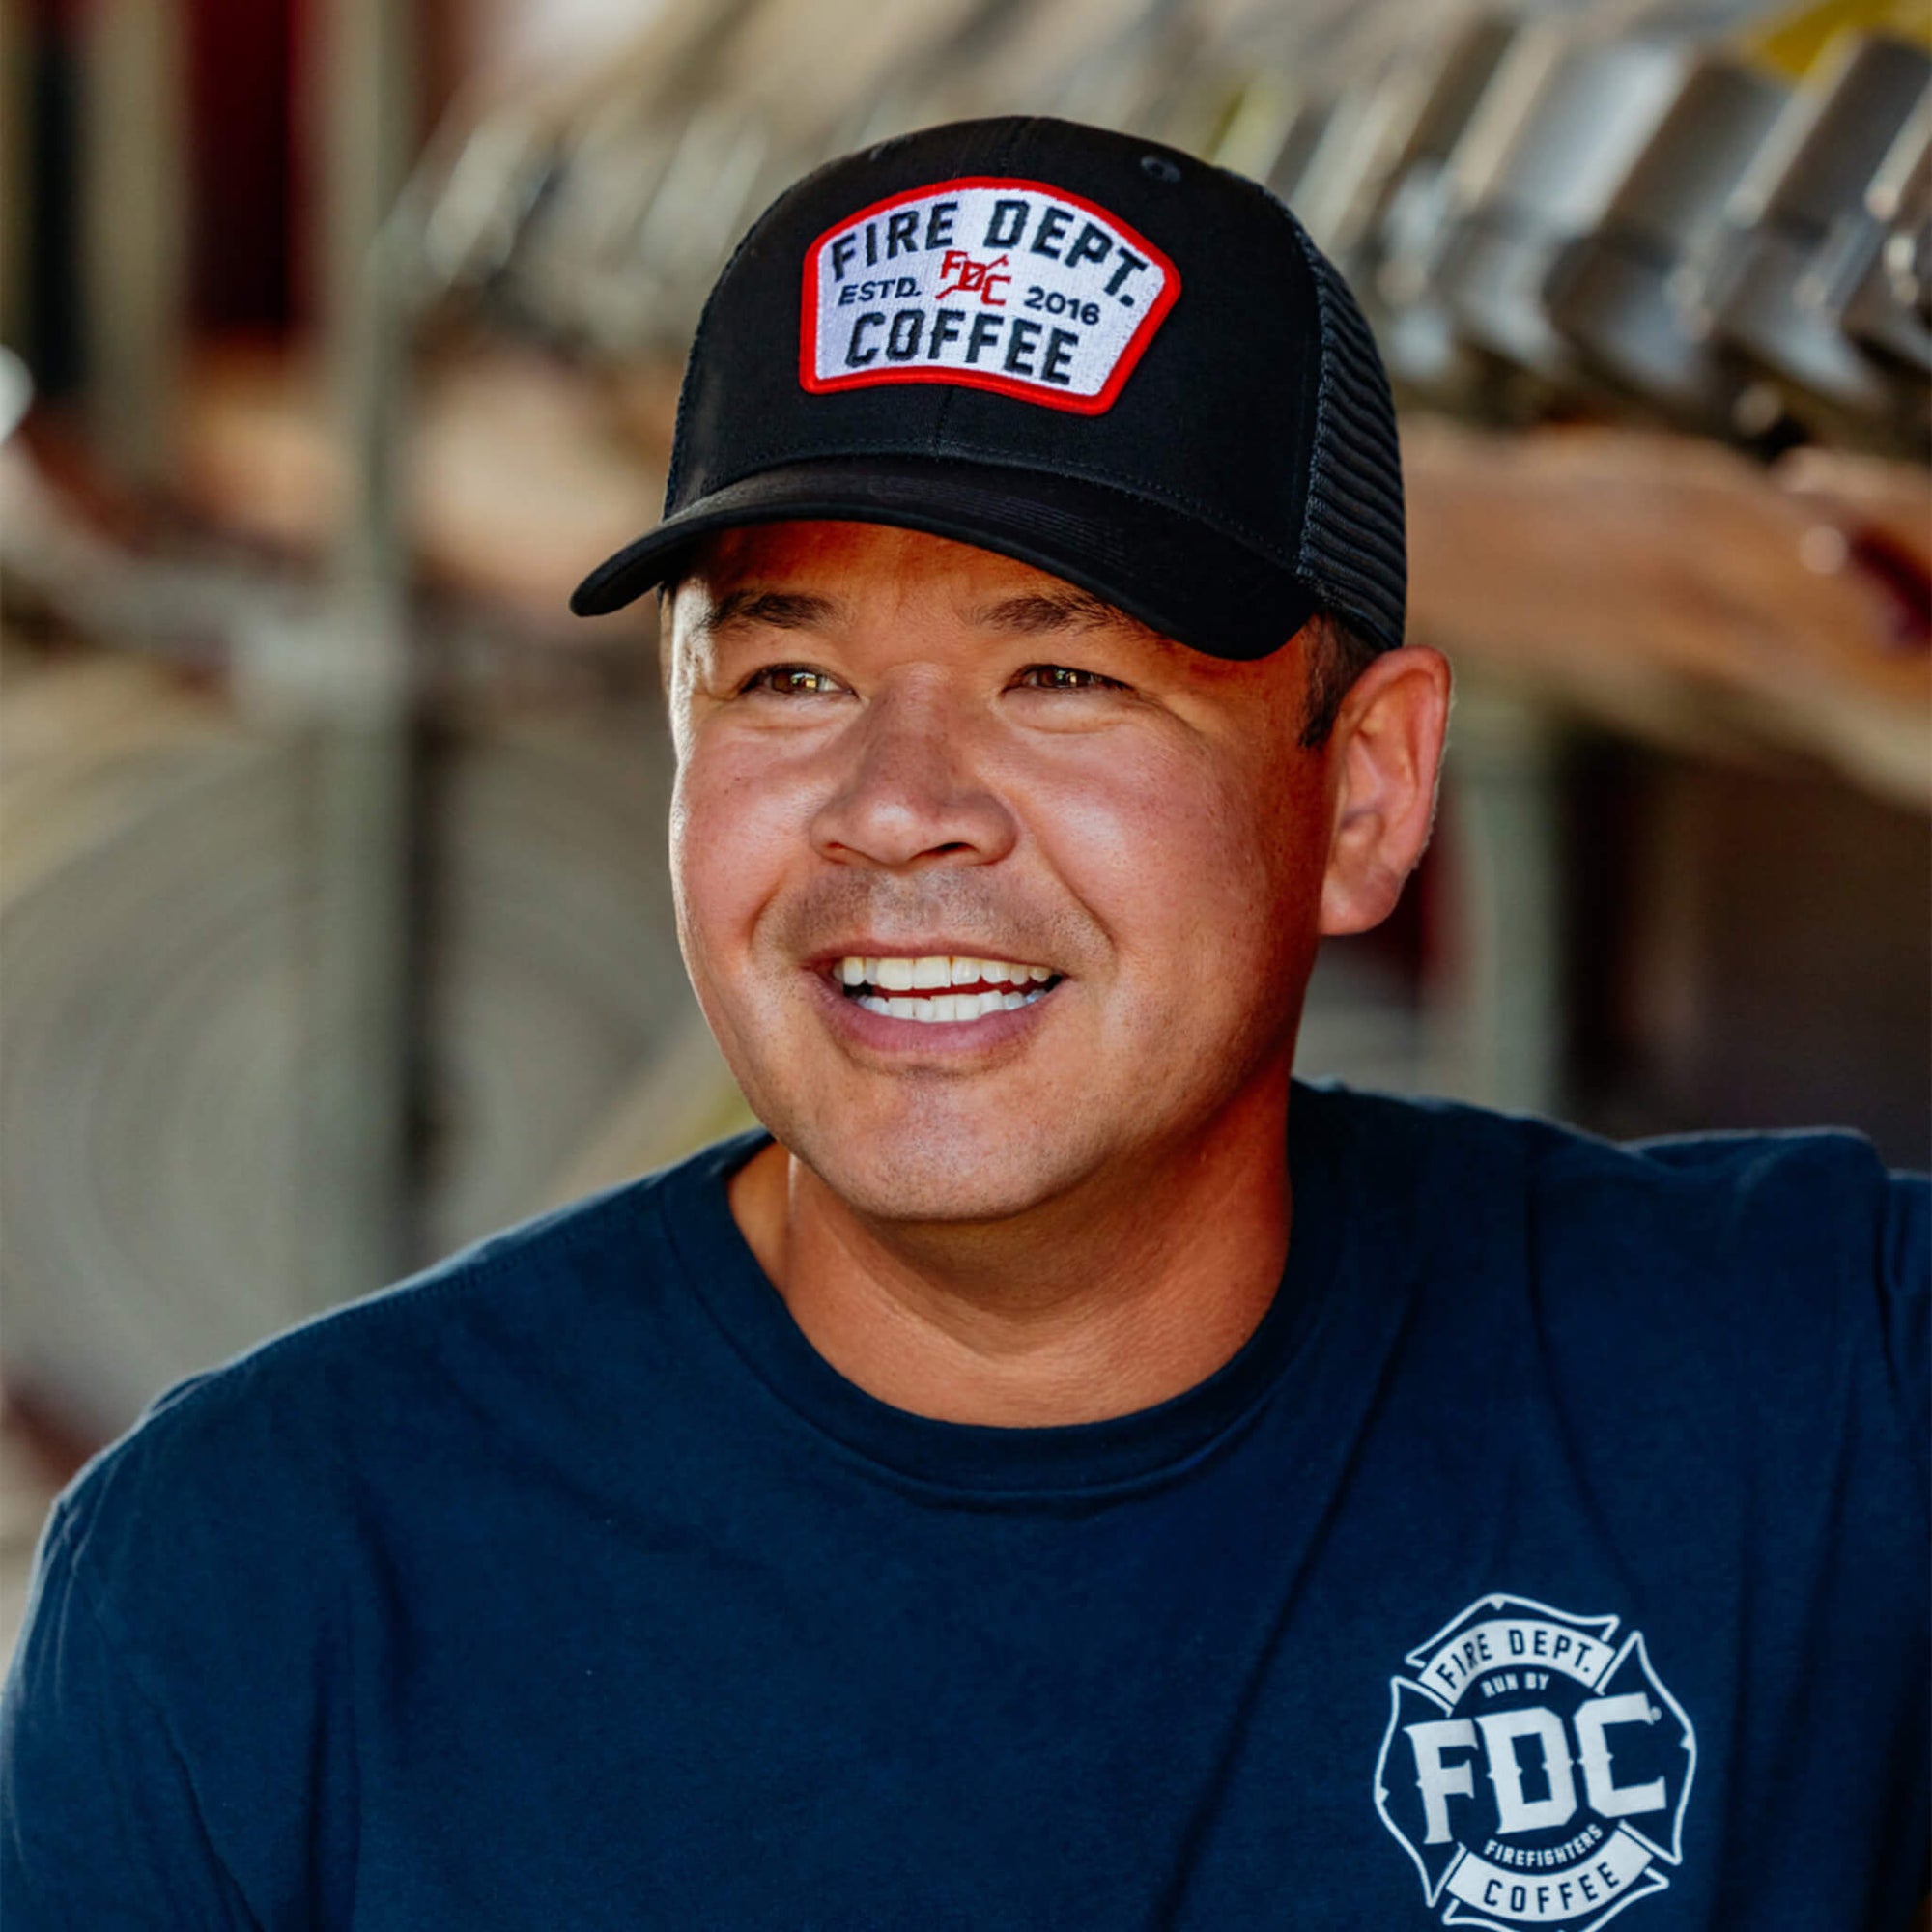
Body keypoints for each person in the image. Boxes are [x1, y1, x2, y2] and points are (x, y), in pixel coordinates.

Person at [3, 115, 1924, 1932]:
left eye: (1065, 671)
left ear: (1364, 794)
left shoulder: (1807, 1392)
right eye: (789, 676)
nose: (898, 801)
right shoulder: (261, 1588)